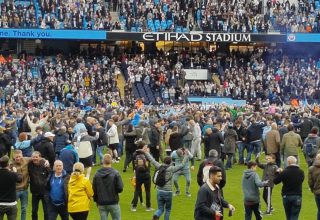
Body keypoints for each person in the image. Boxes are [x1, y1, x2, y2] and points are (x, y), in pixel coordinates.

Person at [140, 145, 190, 220]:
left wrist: (146, 152)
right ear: (170, 162)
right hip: (168, 192)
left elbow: (152, 160)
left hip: (159, 190)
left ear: (163, 161)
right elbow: (182, 165)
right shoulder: (172, 169)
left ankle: (156, 215)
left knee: (160, 208)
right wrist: (186, 155)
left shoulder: (159, 166)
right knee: (168, 209)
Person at [93, 154, 123, 220]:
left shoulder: (97, 174)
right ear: (111, 161)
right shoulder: (116, 173)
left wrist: (96, 200)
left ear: (102, 161)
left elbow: (94, 189)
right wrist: (116, 192)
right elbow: (120, 188)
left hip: (101, 202)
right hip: (113, 201)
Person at [274, 156, 305, 220]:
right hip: (297, 195)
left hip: (286, 195)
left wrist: (277, 173)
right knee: (295, 216)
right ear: (295, 162)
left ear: (288, 162)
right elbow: (301, 180)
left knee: (288, 216)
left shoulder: (284, 172)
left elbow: (275, 181)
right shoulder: (301, 172)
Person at [28, 151, 51, 220]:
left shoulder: (45, 164)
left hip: (44, 192)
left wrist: (47, 163)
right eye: (33, 157)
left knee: (46, 211)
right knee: (34, 211)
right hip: (35, 192)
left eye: (36, 157)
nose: (35, 158)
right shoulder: (29, 164)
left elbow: (50, 174)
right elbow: (21, 158)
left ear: (40, 157)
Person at [131, 141, 152, 212]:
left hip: (138, 174)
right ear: (142, 147)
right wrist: (148, 153)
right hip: (146, 174)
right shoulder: (146, 154)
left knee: (137, 190)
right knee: (147, 191)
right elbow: (150, 161)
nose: (147, 148)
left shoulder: (134, 154)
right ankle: (148, 207)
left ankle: (134, 207)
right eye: (145, 147)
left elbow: (134, 165)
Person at [0, 155, 21, 220]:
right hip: (11, 204)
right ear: (8, 164)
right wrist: (15, 172)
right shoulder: (13, 174)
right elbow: (20, 179)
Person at [308, 154, 320, 220]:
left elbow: (310, 182)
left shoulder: (311, 168)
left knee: (319, 210)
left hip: (317, 192)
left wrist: (313, 190)